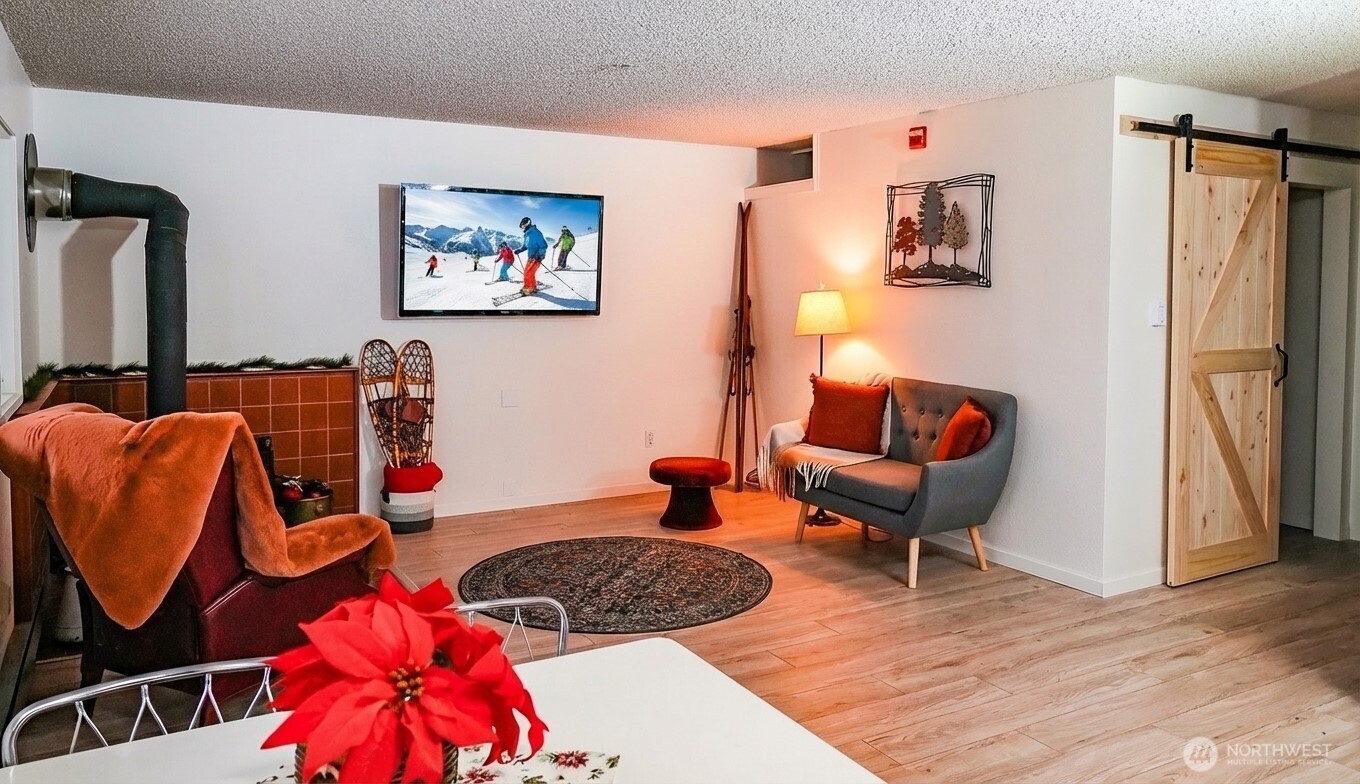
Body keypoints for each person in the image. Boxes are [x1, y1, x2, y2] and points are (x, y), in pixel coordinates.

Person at [516, 217, 547, 295]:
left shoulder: (536, 233)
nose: (522, 229)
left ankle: (531, 288)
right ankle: (527, 286)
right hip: (531, 257)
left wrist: (539, 255)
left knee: (530, 273)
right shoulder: (527, 235)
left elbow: (544, 246)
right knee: (526, 272)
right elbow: (526, 246)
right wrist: (520, 250)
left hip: (537, 257)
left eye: (522, 227)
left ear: (527, 224)